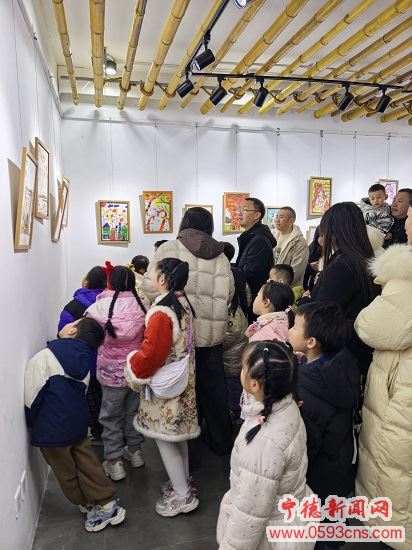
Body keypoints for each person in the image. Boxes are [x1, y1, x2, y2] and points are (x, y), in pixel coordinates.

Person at [143, 207, 234, 455]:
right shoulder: (221, 256)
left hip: (179, 336)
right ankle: (221, 443)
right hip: (212, 337)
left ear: (185, 223)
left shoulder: (168, 249)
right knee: (214, 391)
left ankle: (189, 450)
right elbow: (229, 293)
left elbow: (149, 287)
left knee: (182, 392)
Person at [24, 317, 126, 533]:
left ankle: (88, 504)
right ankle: (107, 503)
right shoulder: (84, 363)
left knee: (67, 473)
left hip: (52, 431)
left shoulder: (44, 357)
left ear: (72, 331)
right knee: (88, 464)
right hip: (78, 424)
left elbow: (32, 398)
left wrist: (31, 422)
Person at [216, 341, 314, 550]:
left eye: (243, 367)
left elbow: (249, 516)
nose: (241, 371)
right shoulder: (288, 405)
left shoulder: (263, 443)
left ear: (254, 385)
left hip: (270, 536)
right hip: (291, 518)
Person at [354, 202, 412, 550]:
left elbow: (372, 326)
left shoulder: (406, 276)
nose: (406, 225)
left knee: (396, 472)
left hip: (403, 387)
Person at [125, 259, 200, 517]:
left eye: (154, 274)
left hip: (166, 388)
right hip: (183, 382)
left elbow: (151, 356)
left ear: (162, 279)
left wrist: (132, 366)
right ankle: (184, 481)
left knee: (165, 439)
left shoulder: (161, 313)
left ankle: (182, 495)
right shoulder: (183, 302)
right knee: (178, 437)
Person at [289, 302, 360, 504]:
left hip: (318, 477)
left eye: (295, 327)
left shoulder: (307, 389)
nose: (290, 330)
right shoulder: (341, 363)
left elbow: (308, 445)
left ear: (311, 342)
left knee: (321, 519)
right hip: (340, 464)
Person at [300, 202, 378, 376]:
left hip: (339, 354)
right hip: (355, 349)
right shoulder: (362, 259)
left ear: (334, 230)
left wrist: (305, 301)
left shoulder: (343, 266)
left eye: (324, 229)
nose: (322, 234)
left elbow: (320, 314)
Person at [86, 265, 147, 481]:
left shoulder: (99, 307)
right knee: (133, 413)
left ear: (110, 282)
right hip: (136, 371)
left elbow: (88, 333)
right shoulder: (143, 305)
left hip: (110, 374)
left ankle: (114, 461)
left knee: (110, 417)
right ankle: (136, 452)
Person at [58, 265, 107, 445]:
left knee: (92, 399)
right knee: (111, 400)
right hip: (109, 362)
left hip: (84, 362)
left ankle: (98, 433)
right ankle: (116, 435)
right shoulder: (109, 303)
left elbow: (63, 334)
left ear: (85, 283)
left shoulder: (72, 307)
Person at [222, 242, 251, 422]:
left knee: (233, 386)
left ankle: (237, 414)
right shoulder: (238, 274)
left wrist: (214, 340)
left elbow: (230, 334)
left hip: (231, 357)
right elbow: (248, 296)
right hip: (234, 356)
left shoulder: (232, 313)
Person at [236, 197, 276, 302]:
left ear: (257, 215)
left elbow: (250, 274)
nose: (239, 213)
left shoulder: (260, 241)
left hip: (255, 299)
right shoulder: (251, 237)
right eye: (239, 209)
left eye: (244, 209)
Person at [272, 207, 309, 286]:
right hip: (271, 284)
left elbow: (296, 271)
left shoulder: (299, 242)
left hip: (288, 288)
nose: (277, 220)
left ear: (291, 221)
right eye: (277, 217)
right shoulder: (273, 237)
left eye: (281, 217)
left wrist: (278, 285)